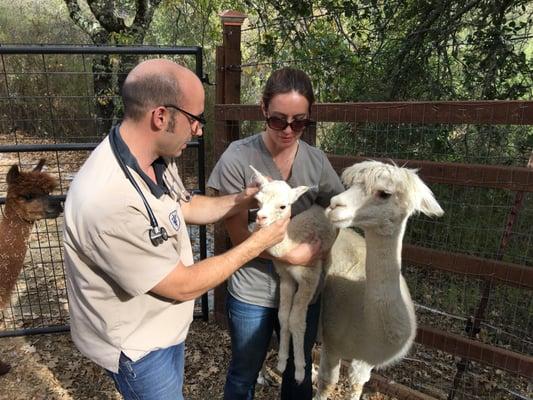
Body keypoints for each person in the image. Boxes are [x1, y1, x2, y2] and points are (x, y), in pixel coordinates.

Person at [63, 59, 290, 400]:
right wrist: (258, 243)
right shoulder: (107, 201)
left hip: (164, 327)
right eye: (195, 119)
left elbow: (184, 206)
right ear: (160, 117)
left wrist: (246, 199)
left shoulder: (151, 156)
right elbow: (182, 286)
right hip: (138, 347)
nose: (199, 129)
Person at [208, 67, 345, 399]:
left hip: (303, 284)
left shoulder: (315, 161)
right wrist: (289, 254)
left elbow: (339, 208)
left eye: (299, 122)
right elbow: (238, 233)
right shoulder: (239, 158)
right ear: (263, 110)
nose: (288, 130)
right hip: (253, 288)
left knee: (298, 379)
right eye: (278, 120)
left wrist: (322, 249)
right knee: (244, 373)